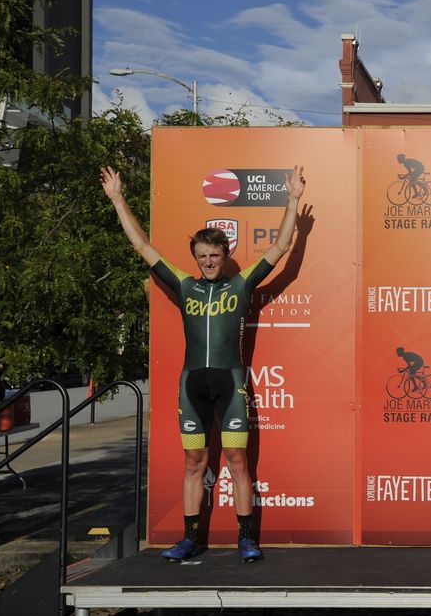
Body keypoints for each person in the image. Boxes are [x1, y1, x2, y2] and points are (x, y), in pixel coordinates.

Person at [100, 164, 306, 563]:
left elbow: (280, 249)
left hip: (230, 384)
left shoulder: (241, 283)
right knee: (194, 462)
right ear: (194, 257)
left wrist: (293, 200)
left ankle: (247, 538)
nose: (208, 262)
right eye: (202, 256)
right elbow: (143, 247)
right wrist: (117, 199)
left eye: (214, 255)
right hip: (192, 384)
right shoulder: (183, 283)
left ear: (225, 256)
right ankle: (190, 538)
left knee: (237, 461)